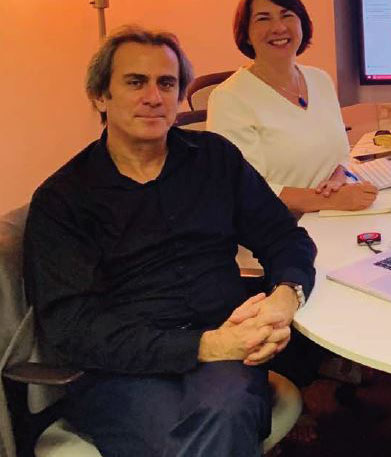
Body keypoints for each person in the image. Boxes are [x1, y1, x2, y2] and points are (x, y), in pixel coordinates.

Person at [24, 27, 317, 456]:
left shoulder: (215, 159)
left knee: (226, 409)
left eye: (167, 83)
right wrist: (205, 346)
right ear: (100, 96)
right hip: (122, 370)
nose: (153, 96)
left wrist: (285, 297)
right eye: (135, 82)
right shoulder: (64, 200)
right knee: (193, 437)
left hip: (226, 348)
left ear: (180, 96)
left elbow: (284, 236)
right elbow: (73, 327)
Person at [208, 0, 377, 214]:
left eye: (286, 15)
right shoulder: (229, 98)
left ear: (302, 23)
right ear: (246, 33)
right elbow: (244, 190)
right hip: (274, 231)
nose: (278, 28)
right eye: (263, 18)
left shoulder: (320, 80)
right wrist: (332, 201)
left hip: (326, 217)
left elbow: (339, 153)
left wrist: (338, 178)